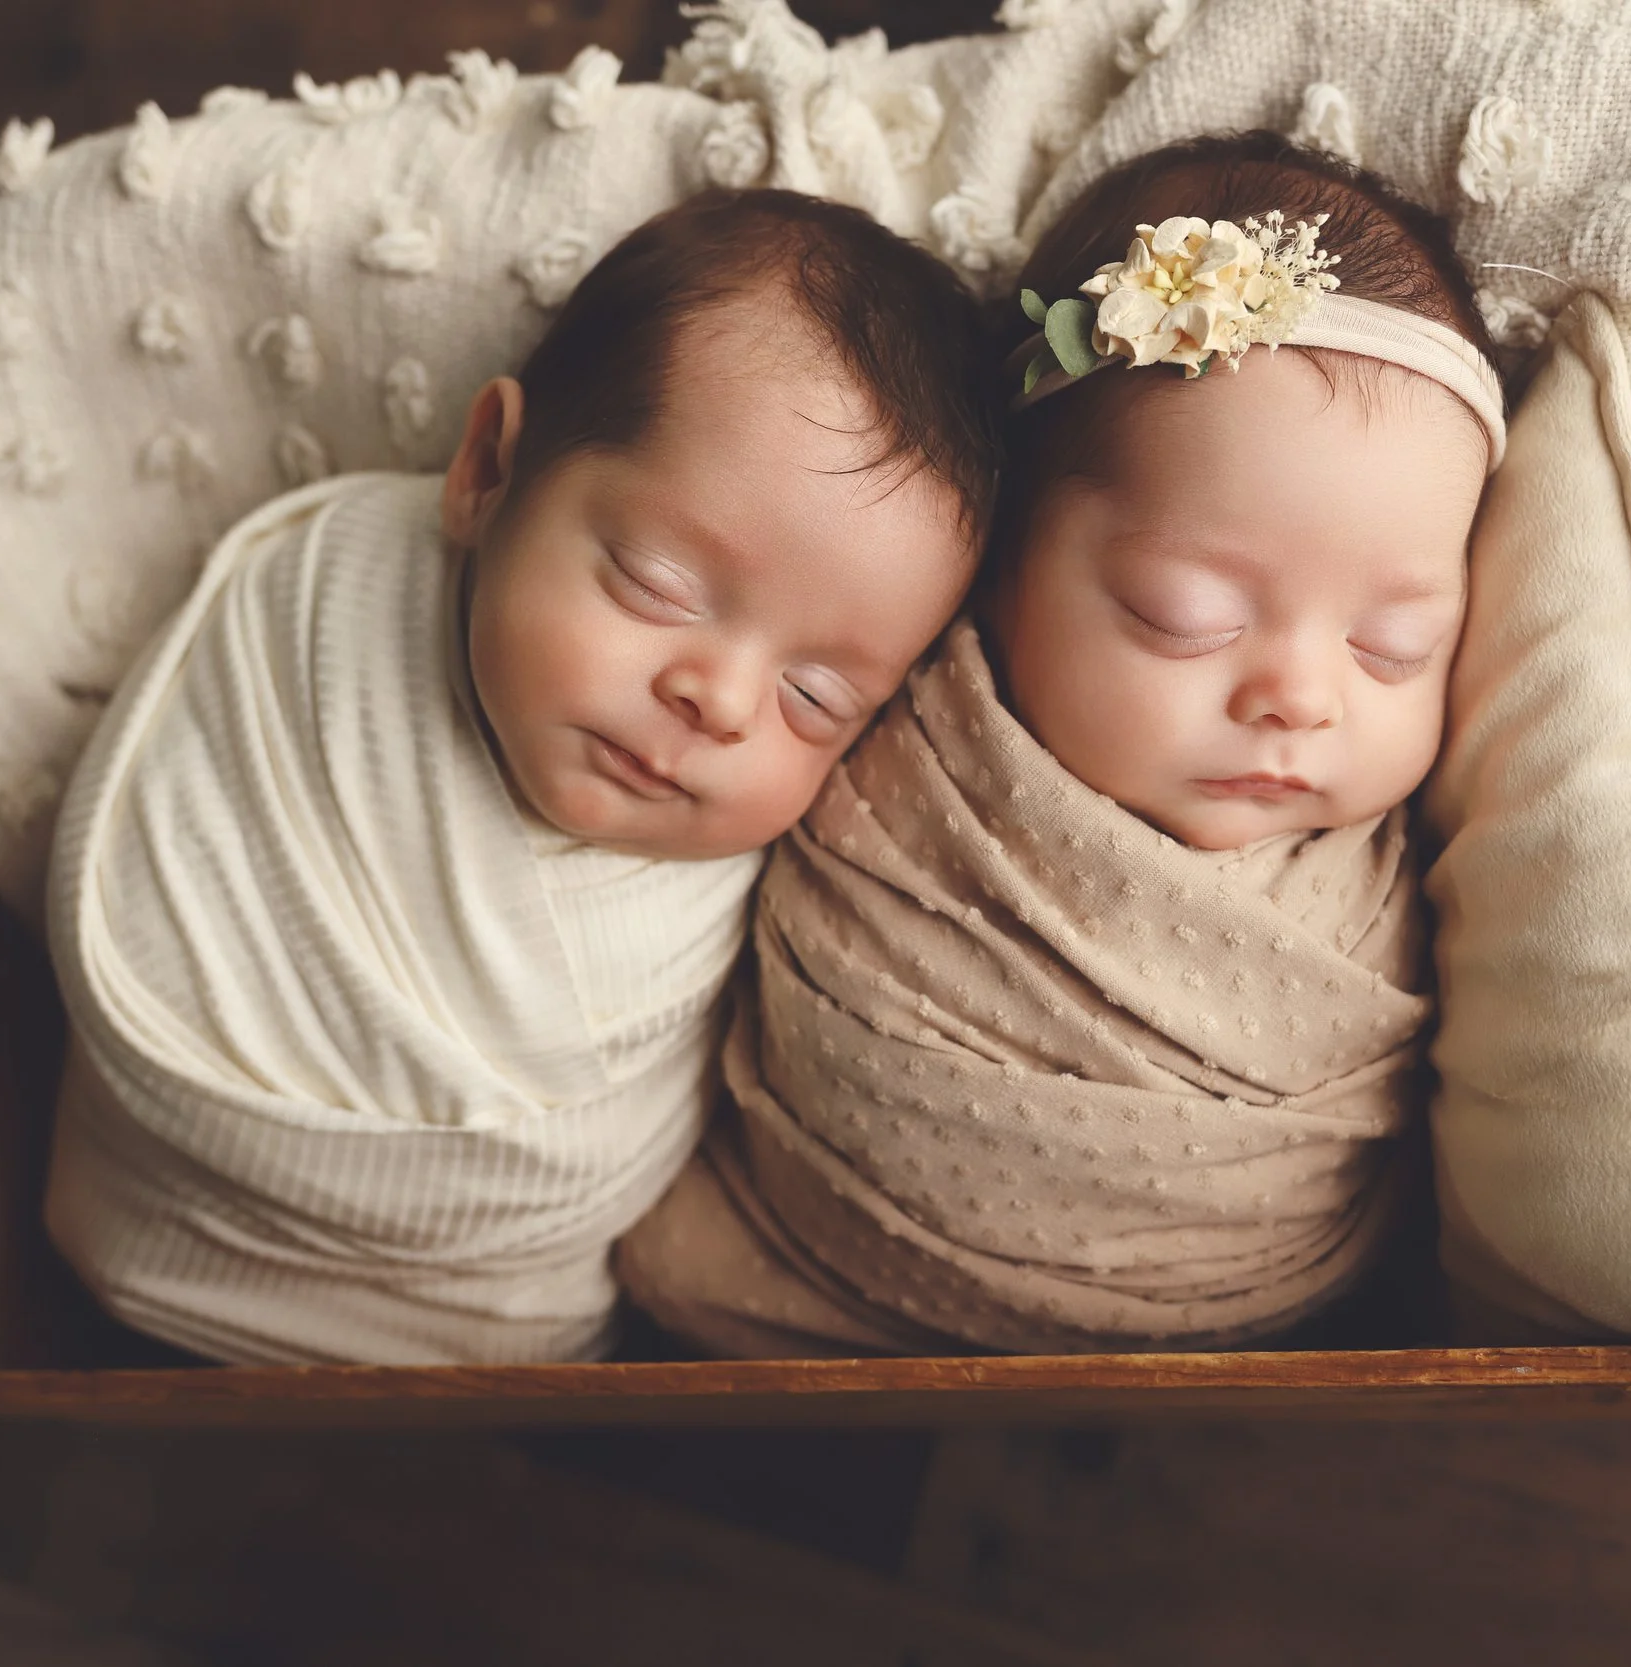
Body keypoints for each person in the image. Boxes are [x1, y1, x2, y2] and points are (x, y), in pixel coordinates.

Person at [42, 189, 1002, 1365]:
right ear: (487, 469)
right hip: (144, 1214)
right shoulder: (315, 605)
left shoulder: (806, 890)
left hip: (491, 1335)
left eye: (818, 698)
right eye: (656, 582)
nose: (722, 700)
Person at [619, 133, 1506, 1357]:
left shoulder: (1415, 871)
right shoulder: (884, 732)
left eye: (1395, 645)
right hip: (777, 1303)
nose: (1302, 698)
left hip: (1277, 1373)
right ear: (1001, 556)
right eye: (1181, 617)